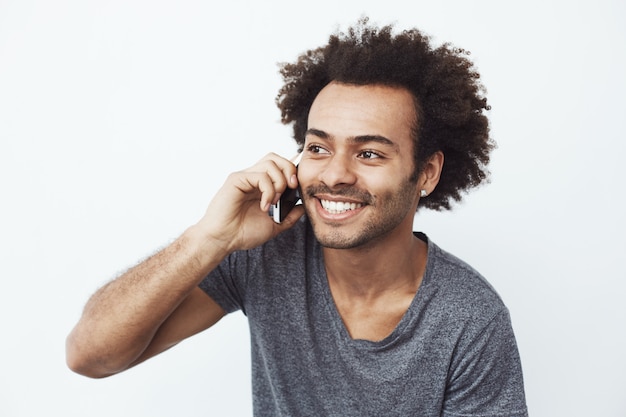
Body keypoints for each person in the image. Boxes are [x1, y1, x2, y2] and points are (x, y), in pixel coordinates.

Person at [66, 18, 528, 417]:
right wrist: (209, 238)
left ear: (425, 172)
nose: (335, 174)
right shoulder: (263, 254)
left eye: (368, 153)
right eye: (318, 148)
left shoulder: (469, 320)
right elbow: (90, 356)